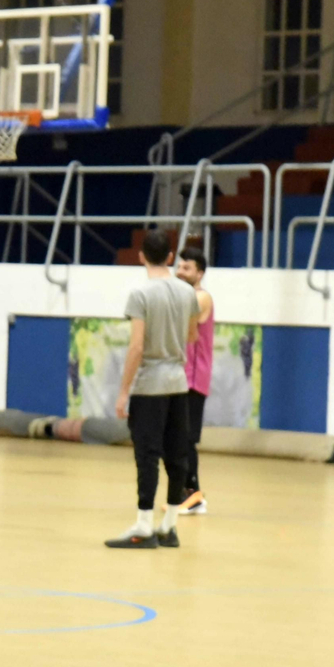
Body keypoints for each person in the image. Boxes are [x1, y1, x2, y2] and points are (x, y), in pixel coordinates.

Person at [106, 230, 200, 550]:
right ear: (171, 257)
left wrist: (123, 392)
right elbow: (192, 336)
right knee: (177, 456)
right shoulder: (188, 293)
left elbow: (136, 347)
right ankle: (169, 526)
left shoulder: (140, 294)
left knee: (147, 456)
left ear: (141, 256)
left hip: (149, 386)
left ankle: (144, 526)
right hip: (178, 384)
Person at [176, 245, 214, 514]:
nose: (179, 272)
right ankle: (186, 492)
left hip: (194, 378)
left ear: (199, 273)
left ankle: (194, 493)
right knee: (177, 437)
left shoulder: (202, 298)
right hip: (179, 376)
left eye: (186, 268)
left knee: (187, 438)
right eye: (178, 266)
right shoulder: (183, 296)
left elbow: (187, 319)